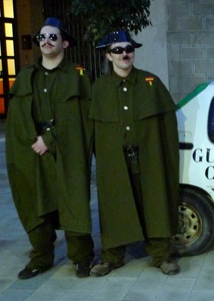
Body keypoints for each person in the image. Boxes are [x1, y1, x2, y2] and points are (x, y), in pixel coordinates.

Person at [6, 17, 94, 279]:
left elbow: (81, 116)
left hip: (67, 149)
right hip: (32, 149)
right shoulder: (25, 77)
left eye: (52, 37)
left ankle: (81, 256)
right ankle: (41, 256)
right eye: (41, 37)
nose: (46, 41)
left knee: (73, 198)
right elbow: (16, 116)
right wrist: (33, 140)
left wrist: (51, 139)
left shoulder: (77, 75)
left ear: (64, 42)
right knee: (35, 201)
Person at [89, 30, 180, 276]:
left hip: (148, 158)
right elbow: (91, 129)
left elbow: (168, 123)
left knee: (155, 203)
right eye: (117, 50)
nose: (124, 54)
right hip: (115, 162)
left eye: (128, 49)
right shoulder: (99, 88)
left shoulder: (151, 83)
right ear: (108, 55)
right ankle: (112, 257)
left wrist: (167, 157)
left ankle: (162, 254)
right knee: (114, 206)